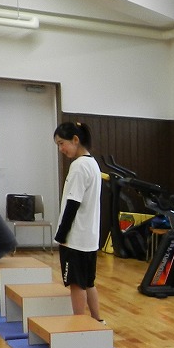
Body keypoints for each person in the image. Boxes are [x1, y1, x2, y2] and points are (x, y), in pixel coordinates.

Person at [52, 121, 103, 320]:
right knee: (88, 282)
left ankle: (80, 325)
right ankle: (97, 319)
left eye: (61, 143)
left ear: (75, 139)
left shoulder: (79, 166)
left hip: (76, 239)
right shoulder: (92, 163)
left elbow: (73, 203)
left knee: (76, 283)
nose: (61, 149)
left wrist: (61, 234)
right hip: (89, 238)